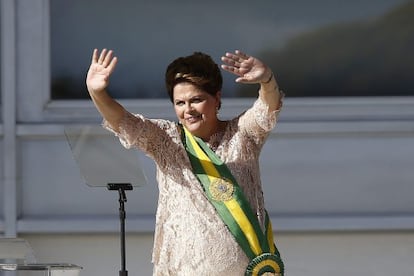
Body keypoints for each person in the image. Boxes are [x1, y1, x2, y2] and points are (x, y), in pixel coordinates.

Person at [86, 48, 285, 276]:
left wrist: (267, 80)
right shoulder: (167, 140)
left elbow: (268, 107)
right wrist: (98, 93)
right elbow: (124, 122)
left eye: (196, 100)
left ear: (217, 98)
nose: (188, 110)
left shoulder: (242, 134)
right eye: (179, 103)